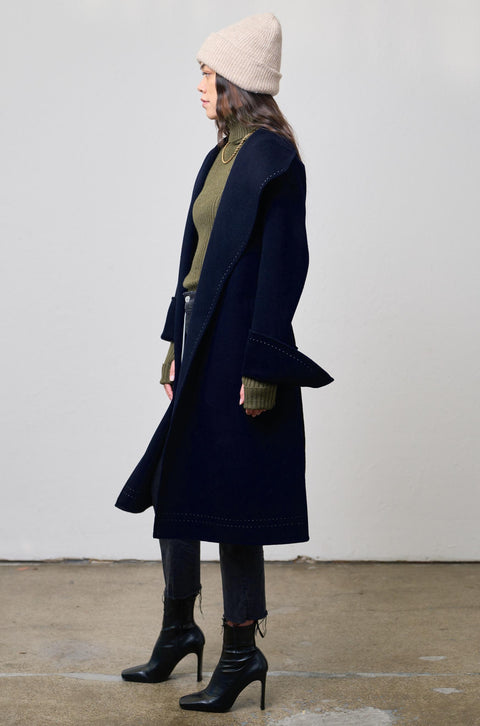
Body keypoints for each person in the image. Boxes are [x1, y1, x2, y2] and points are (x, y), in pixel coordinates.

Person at [115, 12, 333, 713]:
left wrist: (262, 365)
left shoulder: (274, 160)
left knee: (234, 502)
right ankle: (180, 629)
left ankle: (240, 651)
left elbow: (284, 268)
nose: (199, 86)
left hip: (239, 345)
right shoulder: (219, 157)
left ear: (237, 82)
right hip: (199, 336)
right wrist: (174, 342)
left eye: (207, 74)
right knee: (176, 485)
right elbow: (195, 262)